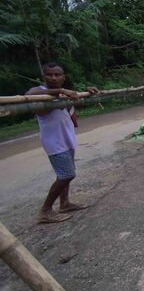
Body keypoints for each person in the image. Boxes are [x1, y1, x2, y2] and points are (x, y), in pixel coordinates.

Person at [26, 62, 99, 223]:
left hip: (67, 138)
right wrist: (60, 90)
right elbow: (30, 92)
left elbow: (76, 102)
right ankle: (45, 210)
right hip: (54, 141)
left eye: (57, 74)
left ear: (63, 77)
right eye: (49, 75)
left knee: (67, 173)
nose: (53, 77)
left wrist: (87, 91)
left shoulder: (67, 94)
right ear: (43, 76)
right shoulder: (40, 93)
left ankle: (64, 203)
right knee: (66, 174)